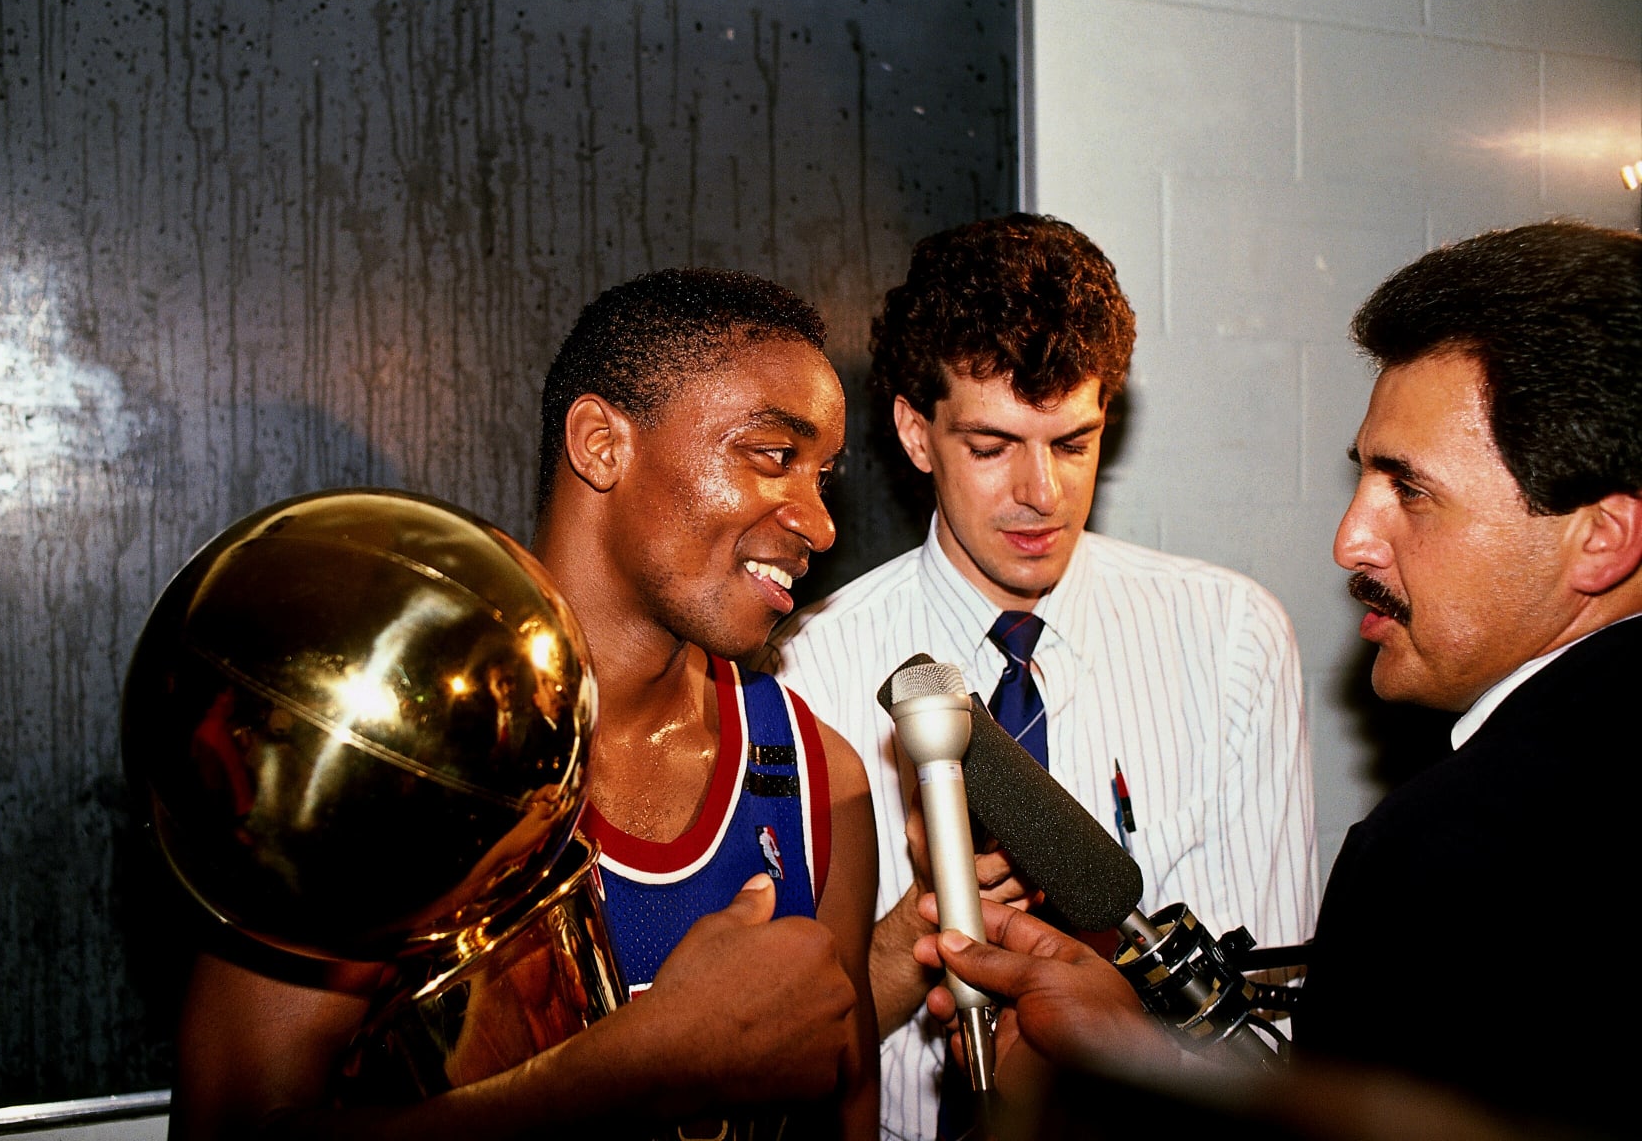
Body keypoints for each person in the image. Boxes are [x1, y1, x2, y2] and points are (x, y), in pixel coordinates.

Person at [915, 220, 1642, 1137]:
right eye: (1363, 479)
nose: (1351, 541)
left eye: (1408, 490)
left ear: (1602, 539)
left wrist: (1095, 1099)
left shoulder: (1447, 854)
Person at [171, 268, 880, 1139]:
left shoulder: (819, 779)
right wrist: (638, 1069)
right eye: (774, 456)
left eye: (824, 475)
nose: (821, 521)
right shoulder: (386, 756)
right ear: (600, 444)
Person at [761, 213, 1317, 1138]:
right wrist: (918, 930)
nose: (1041, 494)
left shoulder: (1231, 640)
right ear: (915, 430)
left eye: (1073, 443)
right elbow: (785, 1056)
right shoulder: (804, 669)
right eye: (991, 447)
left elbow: (1265, 1031)